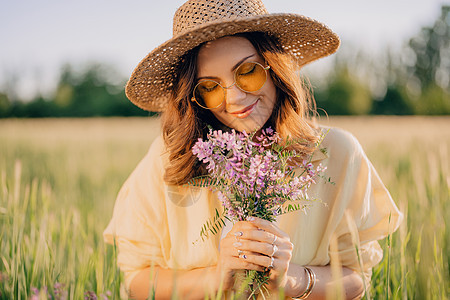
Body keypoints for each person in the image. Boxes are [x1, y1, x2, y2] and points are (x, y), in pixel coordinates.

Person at [104, 0, 403, 299]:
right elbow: (136, 280)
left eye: (247, 70)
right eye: (209, 86)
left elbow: (357, 277)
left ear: (275, 67)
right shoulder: (170, 159)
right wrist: (216, 279)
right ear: (193, 97)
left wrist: (292, 280)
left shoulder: (337, 153)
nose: (234, 98)